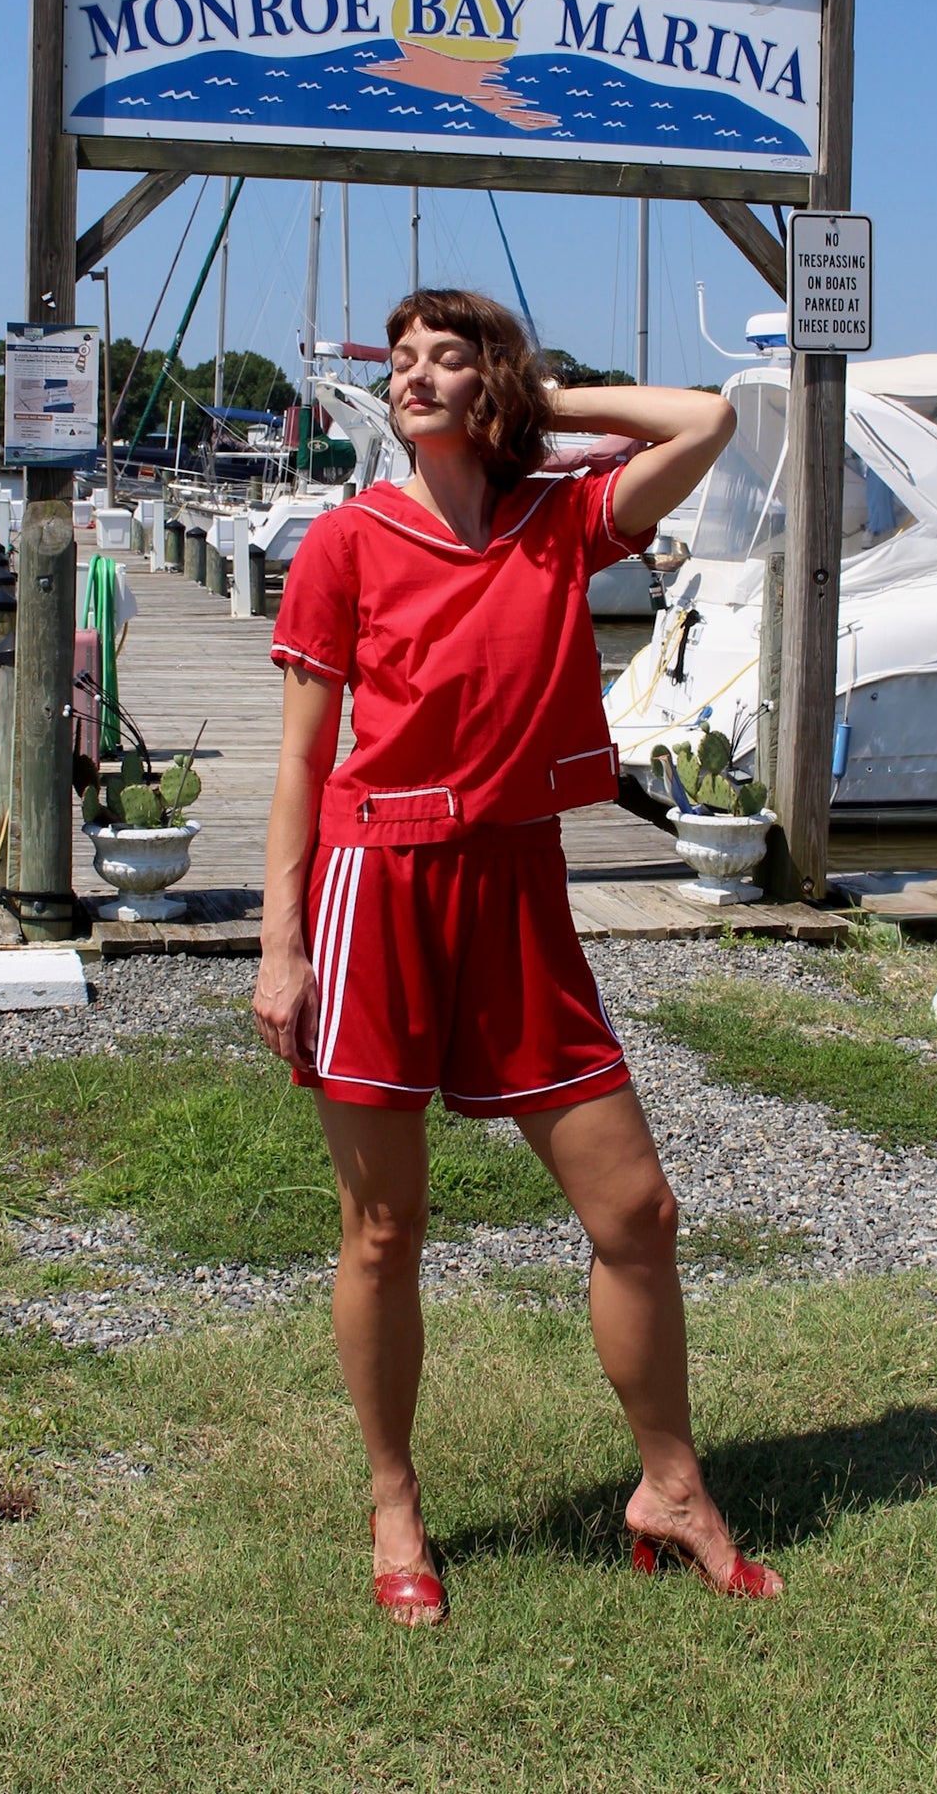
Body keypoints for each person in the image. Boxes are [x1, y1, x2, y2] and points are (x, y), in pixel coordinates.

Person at [253, 287, 782, 1625]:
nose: (413, 376)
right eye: (402, 362)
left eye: (447, 359)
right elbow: (302, 762)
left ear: (493, 385)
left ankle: (669, 1484)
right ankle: (393, 1502)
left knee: (636, 1214)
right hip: (376, 891)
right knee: (384, 1228)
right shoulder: (345, 539)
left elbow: (705, 417)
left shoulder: (560, 519)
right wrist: (280, 943)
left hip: (519, 892)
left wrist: (538, 409)